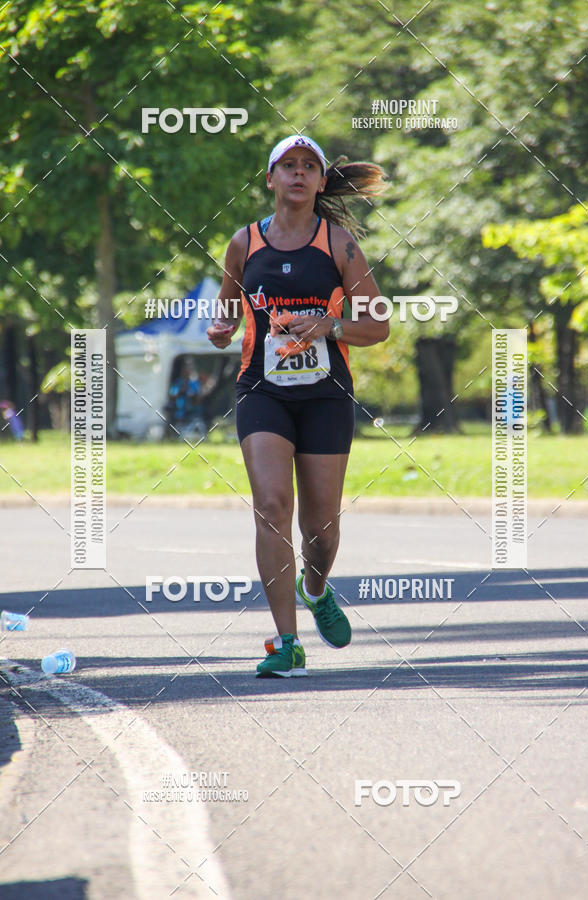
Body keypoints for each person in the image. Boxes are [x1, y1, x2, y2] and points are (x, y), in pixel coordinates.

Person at [207, 134, 388, 677]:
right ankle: (287, 644)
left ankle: (316, 588)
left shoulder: (339, 246)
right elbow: (226, 317)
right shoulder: (244, 243)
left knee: (322, 529)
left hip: (325, 397)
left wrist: (330, 325)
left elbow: (377, 324)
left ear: (320, 181)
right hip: (262, 392)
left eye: (310, 166)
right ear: (271, 178)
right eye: (289, 165)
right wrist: (220, 330)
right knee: (271, 504)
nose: (299, 174)